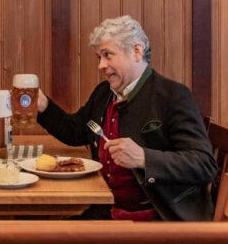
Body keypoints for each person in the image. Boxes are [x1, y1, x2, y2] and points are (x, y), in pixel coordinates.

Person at [36, 16, 216, 221]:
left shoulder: (173, 95)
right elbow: (74, 131)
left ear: (136, 52)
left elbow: (204, 164)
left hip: (160, 219)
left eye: (108, 55)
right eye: (99, 57)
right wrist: (43, 105)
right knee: (46, 233)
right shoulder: (104, 93)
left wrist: (144, 157)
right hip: (107, 211)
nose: (101, 65)